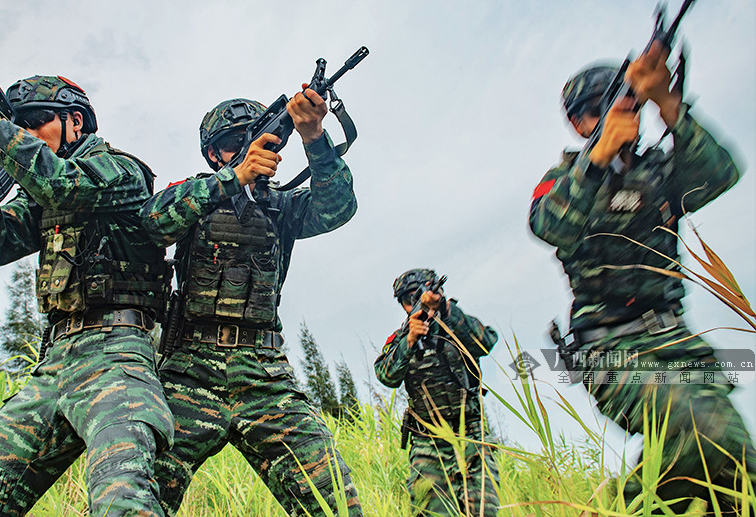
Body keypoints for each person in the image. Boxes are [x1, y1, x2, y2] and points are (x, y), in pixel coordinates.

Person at [0, 52, 174, 517]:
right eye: (17, 125)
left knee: (123, 501)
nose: (26, 133)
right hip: (54, 363)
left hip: (116, 357)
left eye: (36, 122)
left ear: (74, 121)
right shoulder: (42, 199)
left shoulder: (121, 172)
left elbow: (58, 182)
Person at [529, 42, 756, 512]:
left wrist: (668, 103)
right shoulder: (565, 178)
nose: (618, 117)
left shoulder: (659, 172)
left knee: (739, 469)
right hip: (609, 347)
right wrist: (598, 157)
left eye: (626, 106)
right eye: (600, 110)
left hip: (679, 341)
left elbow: (721, 174)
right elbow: (550, 226)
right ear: (578, 123)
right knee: (698, 431)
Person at [141, 90, 362, 516]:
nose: (251, 145)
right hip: (188, 372)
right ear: (212, 153)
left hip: (264, 374)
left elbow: (338, 208)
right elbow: (151, 222)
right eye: (235, 140)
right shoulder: (195, 194)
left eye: (256, 135)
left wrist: (314, 137)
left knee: (334, 502)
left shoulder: (283, 204)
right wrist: (233, 178)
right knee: (136, 495)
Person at [375, 269, 499, 516]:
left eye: (418, 296)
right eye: (408, 299)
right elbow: (386, 375)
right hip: (427, 441)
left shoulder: (456, 325)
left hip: (471, 436)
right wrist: (409, 342)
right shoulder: (401, 338)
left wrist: (444, 310)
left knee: (483, 509)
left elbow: (486, 341)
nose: (414, 303)